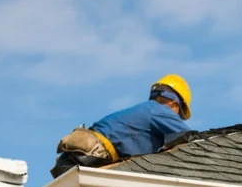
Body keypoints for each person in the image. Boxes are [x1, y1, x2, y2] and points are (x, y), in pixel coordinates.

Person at [51, 75, 192, 178]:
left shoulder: (142, 113)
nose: (176, 119)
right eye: (178, 114)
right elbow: (191, 139)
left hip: (69, 163)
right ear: (173, 104)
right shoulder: (158, 110)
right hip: (86, 160)